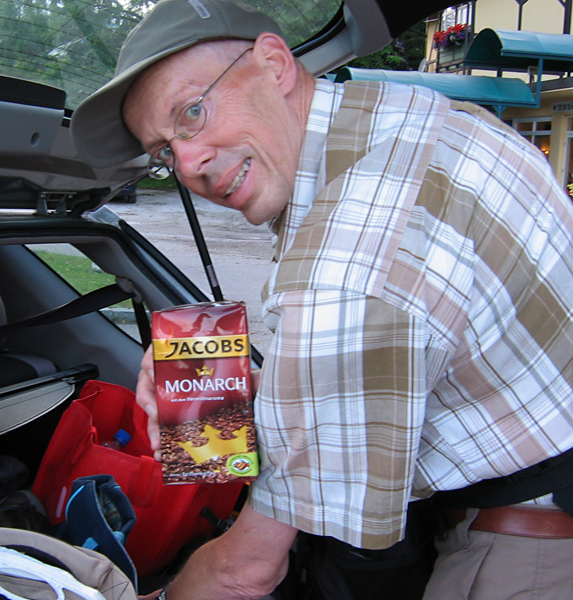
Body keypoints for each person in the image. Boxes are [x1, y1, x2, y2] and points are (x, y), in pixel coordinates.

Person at [71, 0, 573, 599]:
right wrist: (272, 392)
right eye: (162, 151)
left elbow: (246, 572)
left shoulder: (348, 260)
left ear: (275, 63)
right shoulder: (410, 118)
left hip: (528, 542)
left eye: (193, 113)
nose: (187, 162)